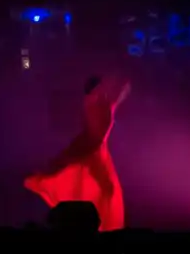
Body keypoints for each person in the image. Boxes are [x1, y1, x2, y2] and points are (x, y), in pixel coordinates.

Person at [25, 75, 129, 231]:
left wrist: (122, 91)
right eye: (100, 86)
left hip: (96, 147)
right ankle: (102, 226)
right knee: (105, 188)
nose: (104, 88)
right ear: (95, 88)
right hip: (94, 148)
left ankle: (103, 225)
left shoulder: (100, 101)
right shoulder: (94, 102)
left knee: (104, 188)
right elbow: (98, 125)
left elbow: (111, 108)